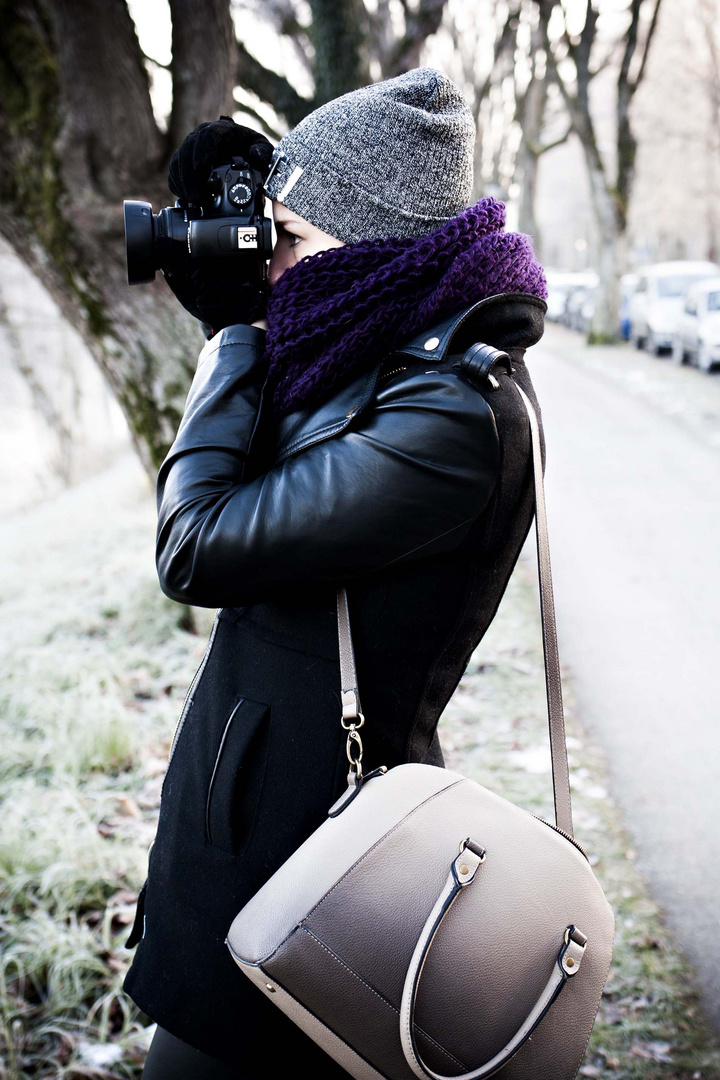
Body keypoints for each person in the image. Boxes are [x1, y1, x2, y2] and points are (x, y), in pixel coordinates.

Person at [121, 67, 549, 1079]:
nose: (272, 269)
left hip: (314, 860)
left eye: (292, 240)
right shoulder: (385, 358)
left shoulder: (453, 418)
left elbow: (200, 543)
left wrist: (234, 342)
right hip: (257, 824)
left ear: (375, 248)